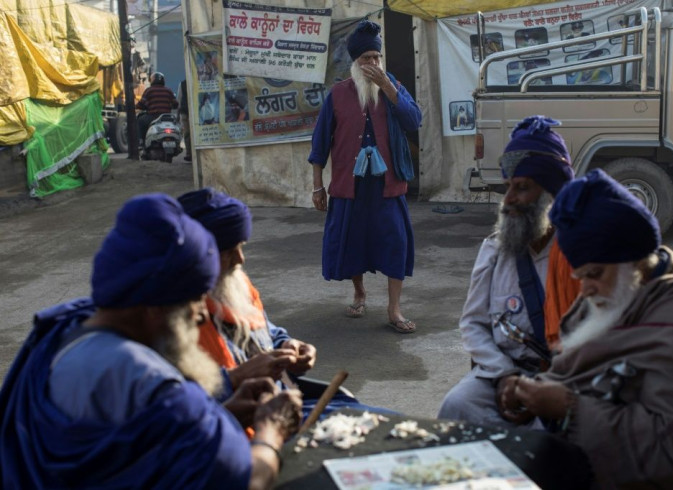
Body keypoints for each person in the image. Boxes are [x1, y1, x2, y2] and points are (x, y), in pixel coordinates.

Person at [0, 194, 303, 489]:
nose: (200, 316)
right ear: (156, 308)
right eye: (197, 301)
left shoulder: (59, 332)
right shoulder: (158, 386)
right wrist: (271, 430)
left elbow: (131, 445)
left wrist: (224, 412)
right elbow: (248, 479)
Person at [502, 169, 673, 488]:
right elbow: (576, 371)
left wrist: (570, 409)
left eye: (594, 274)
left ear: (636, 261)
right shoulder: (618, 293)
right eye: (579, 276)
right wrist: (533, 391)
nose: (584, 290)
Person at [179, 187, 399, 419]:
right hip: (247, 421)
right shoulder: (170, 316)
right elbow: (179, 409)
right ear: (198, 255)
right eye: (228, 252)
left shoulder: (233, 283)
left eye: (241, 247)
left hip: (289, 400)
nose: (240, 259)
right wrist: (236, 378)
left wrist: (287, 345)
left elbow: (267, 331)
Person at [437, 116, 579, 428]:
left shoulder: (578, 256)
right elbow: (473, 324)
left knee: (550, 439)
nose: (508, 201)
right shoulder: (494, 251)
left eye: (522, 188)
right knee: (457, 405)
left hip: (564, 379)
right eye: (508, 188)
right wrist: (504, 376)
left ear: (551, 194)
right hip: (503, 371)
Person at [308, 20, 422, 334]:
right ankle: (359, 291)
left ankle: (394, 309)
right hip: (350, 184)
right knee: (353, 242)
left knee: (395, 242)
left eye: (376, 57)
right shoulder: (338, 94)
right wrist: (318, 185)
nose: (372, 64)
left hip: (387, 185)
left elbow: (414, 119)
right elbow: (320, 144)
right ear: (355, 63)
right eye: (365, 59)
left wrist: (387, 85)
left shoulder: (392, 86)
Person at [136, 72, 178, 145]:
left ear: (152, 80)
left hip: (153, 117)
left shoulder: (149, 90)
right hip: (167, 118)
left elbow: (141, 104)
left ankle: (141, 141)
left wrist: (137, 106)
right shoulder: (168, 90)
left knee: (140, 121)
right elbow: (176, 104)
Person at [177, 79, 192, 162]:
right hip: (188, 111)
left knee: (187, 133)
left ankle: (189, 153)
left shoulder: (182, 84)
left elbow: (179, 99)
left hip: (185, 111)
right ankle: (190, 153)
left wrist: (177, 115)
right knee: (188, 133)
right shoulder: (198, 81)